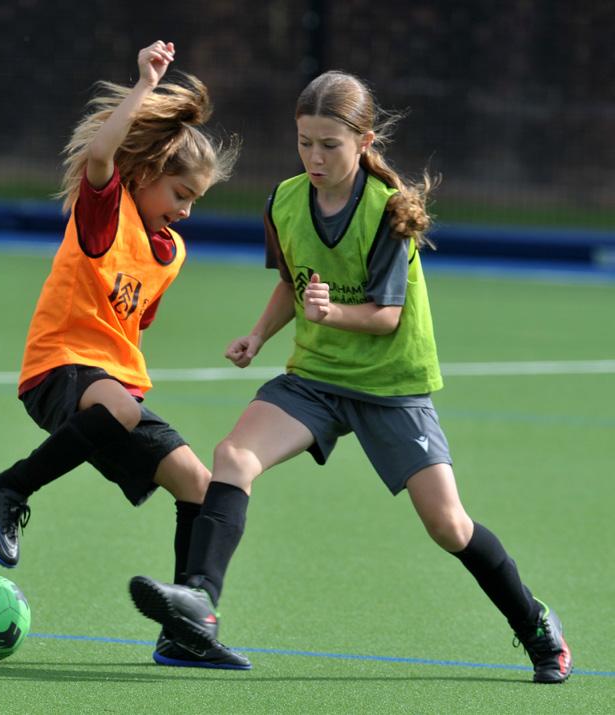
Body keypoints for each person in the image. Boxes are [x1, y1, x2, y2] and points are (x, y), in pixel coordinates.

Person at [128, 70, 572, 684]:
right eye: (304, 142)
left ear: (364, 142)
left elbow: (386, 317)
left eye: (329, 145)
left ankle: (536, 625)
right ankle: (200, 603)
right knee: (233, 456)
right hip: (315, 377)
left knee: (448, 525)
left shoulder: (386, 210)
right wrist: (259, 335)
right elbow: (293, 282)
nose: (314, 157)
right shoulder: (285, 201)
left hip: (391, 386)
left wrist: (329, 312)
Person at [0, 40, 250, 670]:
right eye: (180, 192)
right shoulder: (106, 211)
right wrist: (145, 86)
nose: (186, 210)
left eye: (195, 200)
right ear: (146, 174)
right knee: (121, 407)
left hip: (114, 388)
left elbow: (134, 322)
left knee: (200, 485)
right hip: (57, 368)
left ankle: (183, 632)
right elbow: (101, 154)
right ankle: (8, 489)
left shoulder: (171, 253)